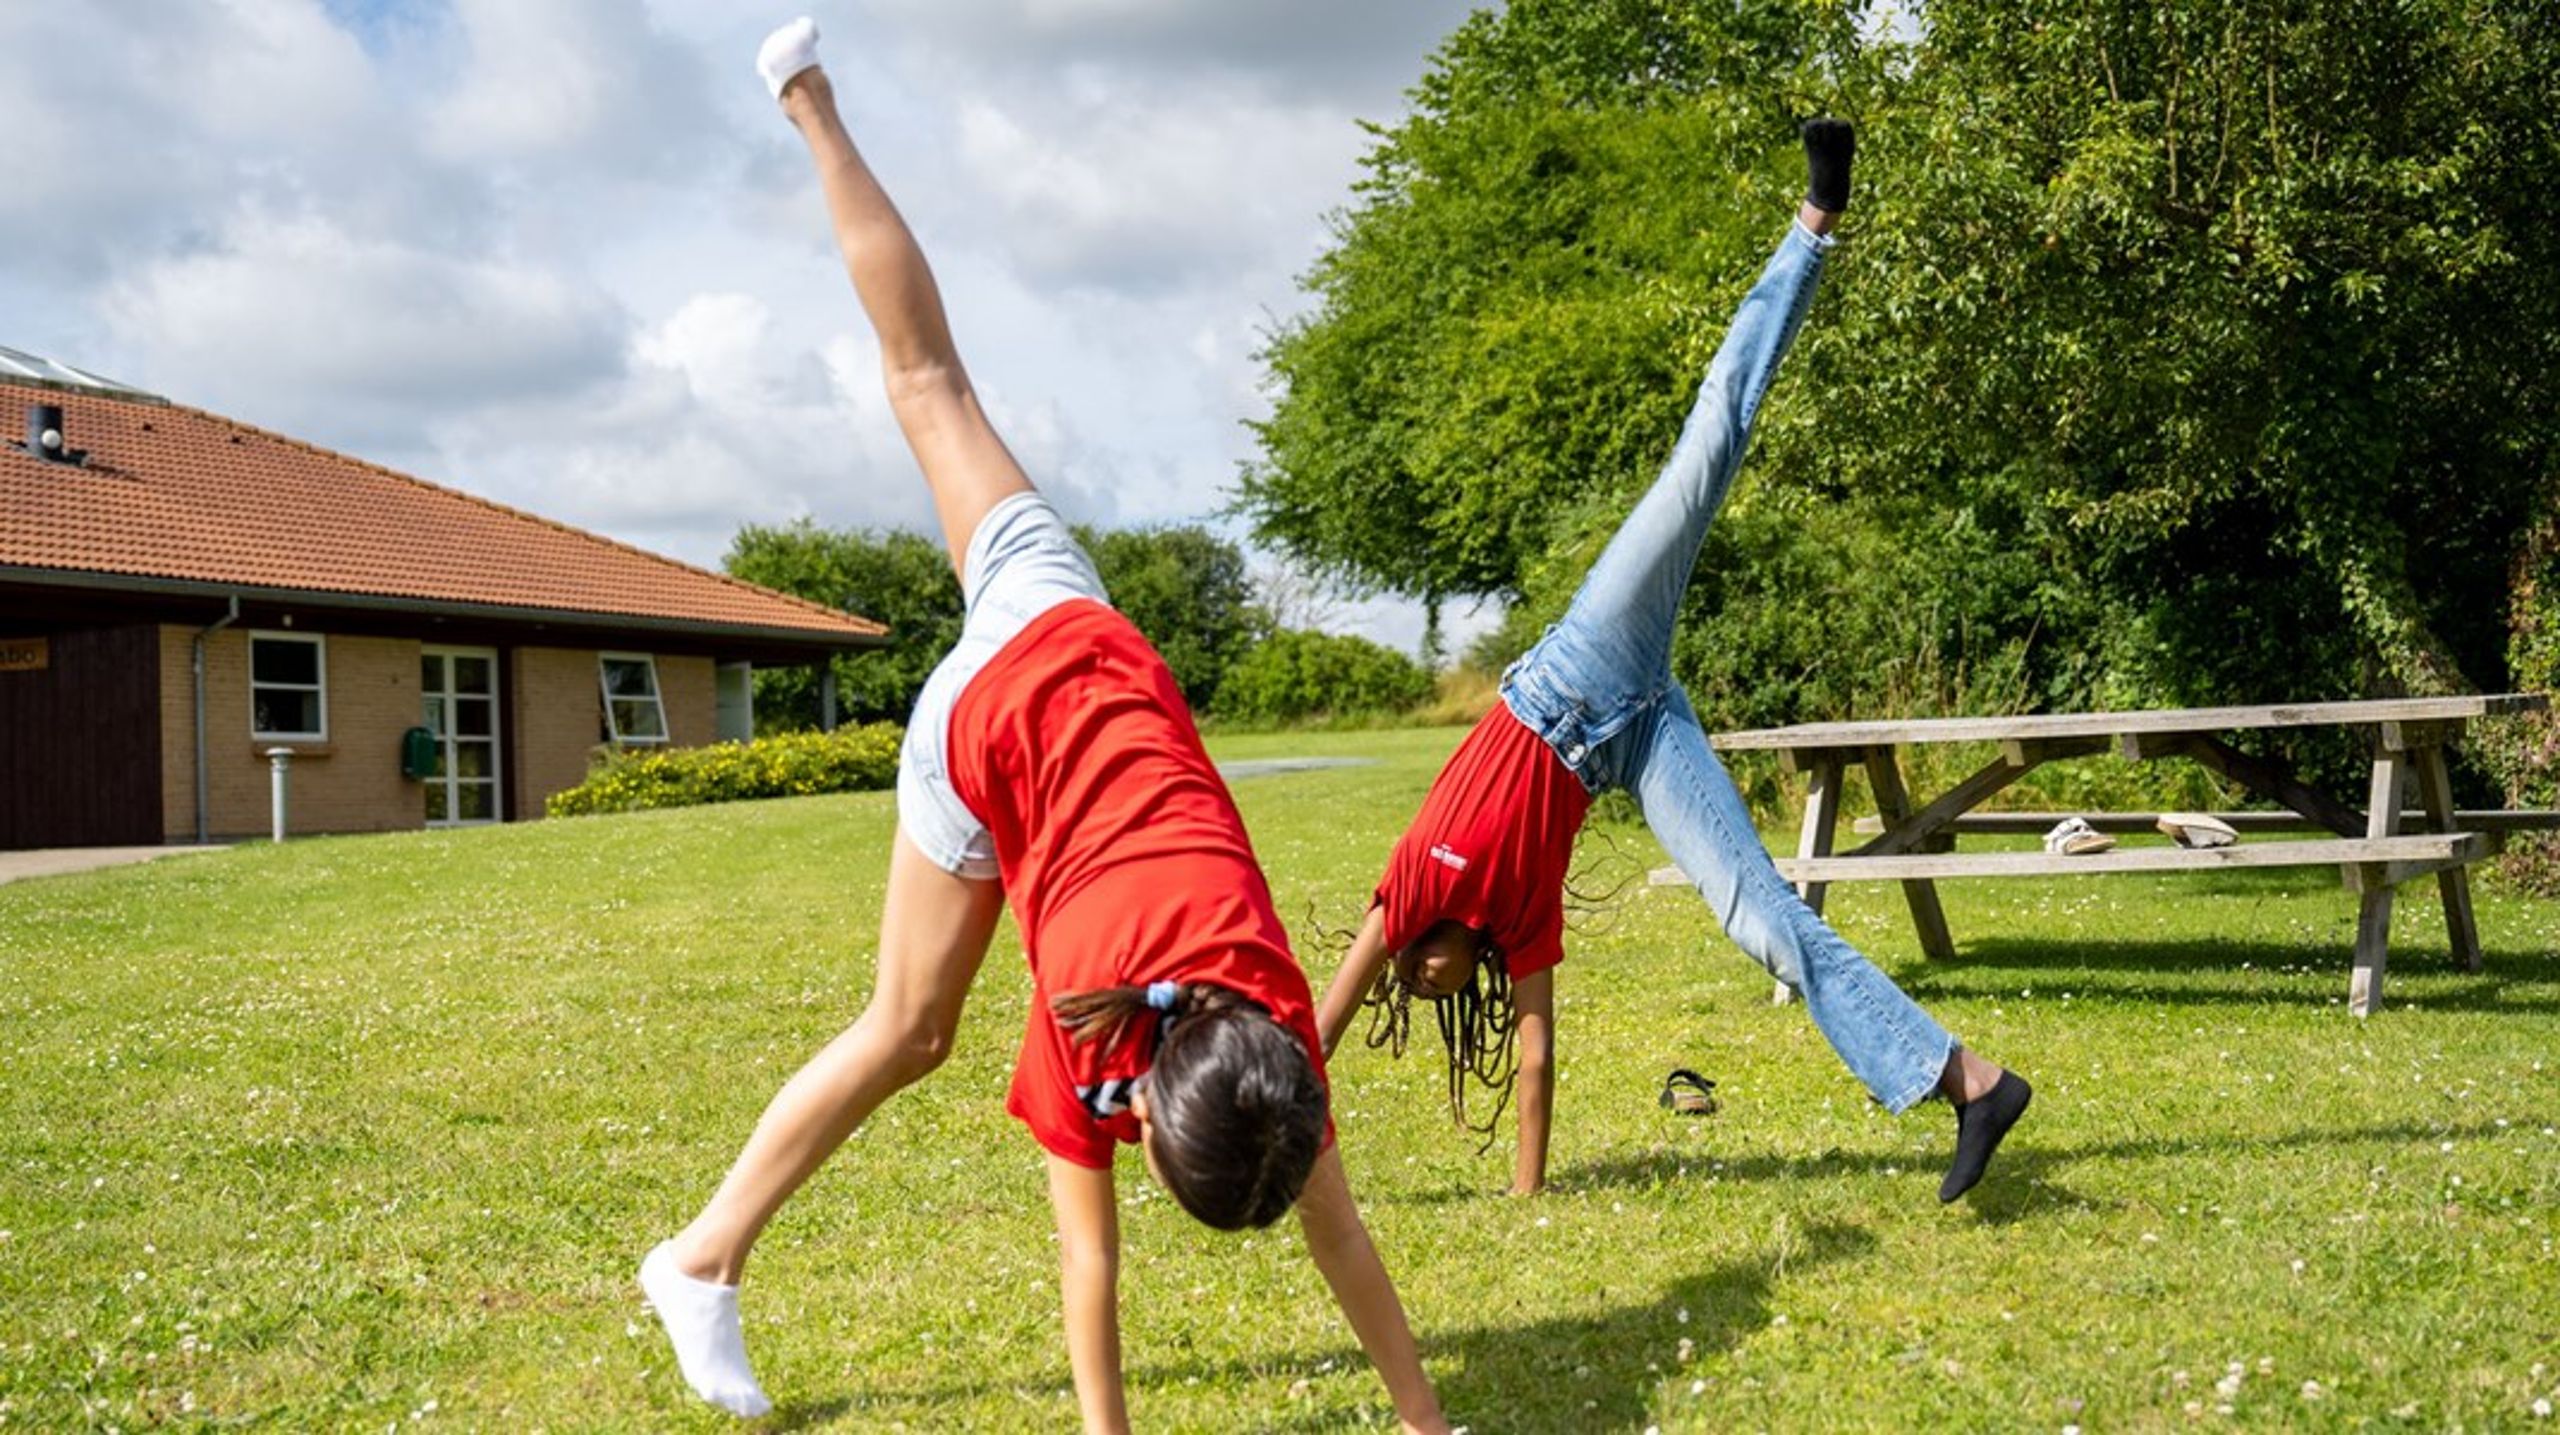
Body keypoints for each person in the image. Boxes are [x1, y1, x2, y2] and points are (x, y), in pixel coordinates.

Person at [639, 21, 1448, 1433]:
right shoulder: (1098, 1035)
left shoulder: (1268, 1046)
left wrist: (1430, 1425)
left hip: (1073, 624)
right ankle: (696, 1259)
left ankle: (809, 98)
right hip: (986, 728)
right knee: (910, 1025)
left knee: (930, 381)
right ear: (1146, 1111)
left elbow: (1333, 1228)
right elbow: (1093, 1251)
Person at [1314, 120, 2032, 1205]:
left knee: (1712, 438)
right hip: (1636, 735)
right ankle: (1970, 1081)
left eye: (1408, 969)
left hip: (1579, 666)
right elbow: (1541, 1057)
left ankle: (1814, 226)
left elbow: (1319, 1022)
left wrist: (1263, 1109)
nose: (1415, 975)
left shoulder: (1419, 884)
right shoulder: (1515, 925)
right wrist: (1523, 1205)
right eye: (1423, 986)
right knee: (1762, 921)